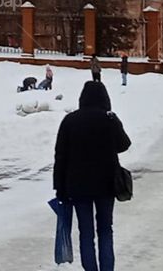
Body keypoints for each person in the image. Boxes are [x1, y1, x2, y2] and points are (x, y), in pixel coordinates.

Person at [54, 81, 131, 271]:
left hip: (78, 187)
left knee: (85, 233)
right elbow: (124, 145)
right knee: (105, 231)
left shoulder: (70, 121)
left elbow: (60, 156)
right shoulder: (109, 119)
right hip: (106, 185)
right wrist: (113, 123)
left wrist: (60, 188)